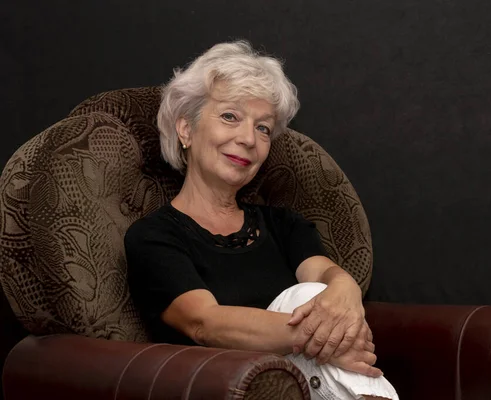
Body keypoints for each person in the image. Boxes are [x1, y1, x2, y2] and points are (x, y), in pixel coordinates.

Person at [124, 40, 398, 400]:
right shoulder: (154, 236)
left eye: (263, 128)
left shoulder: (283, 224)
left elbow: (323, 274)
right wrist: (324, 336)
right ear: (186, 130)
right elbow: (205, 323)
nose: (249, 139)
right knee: (311, 298)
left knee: (316, 292)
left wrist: (345, 293)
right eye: (230, 117)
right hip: (218, 388)